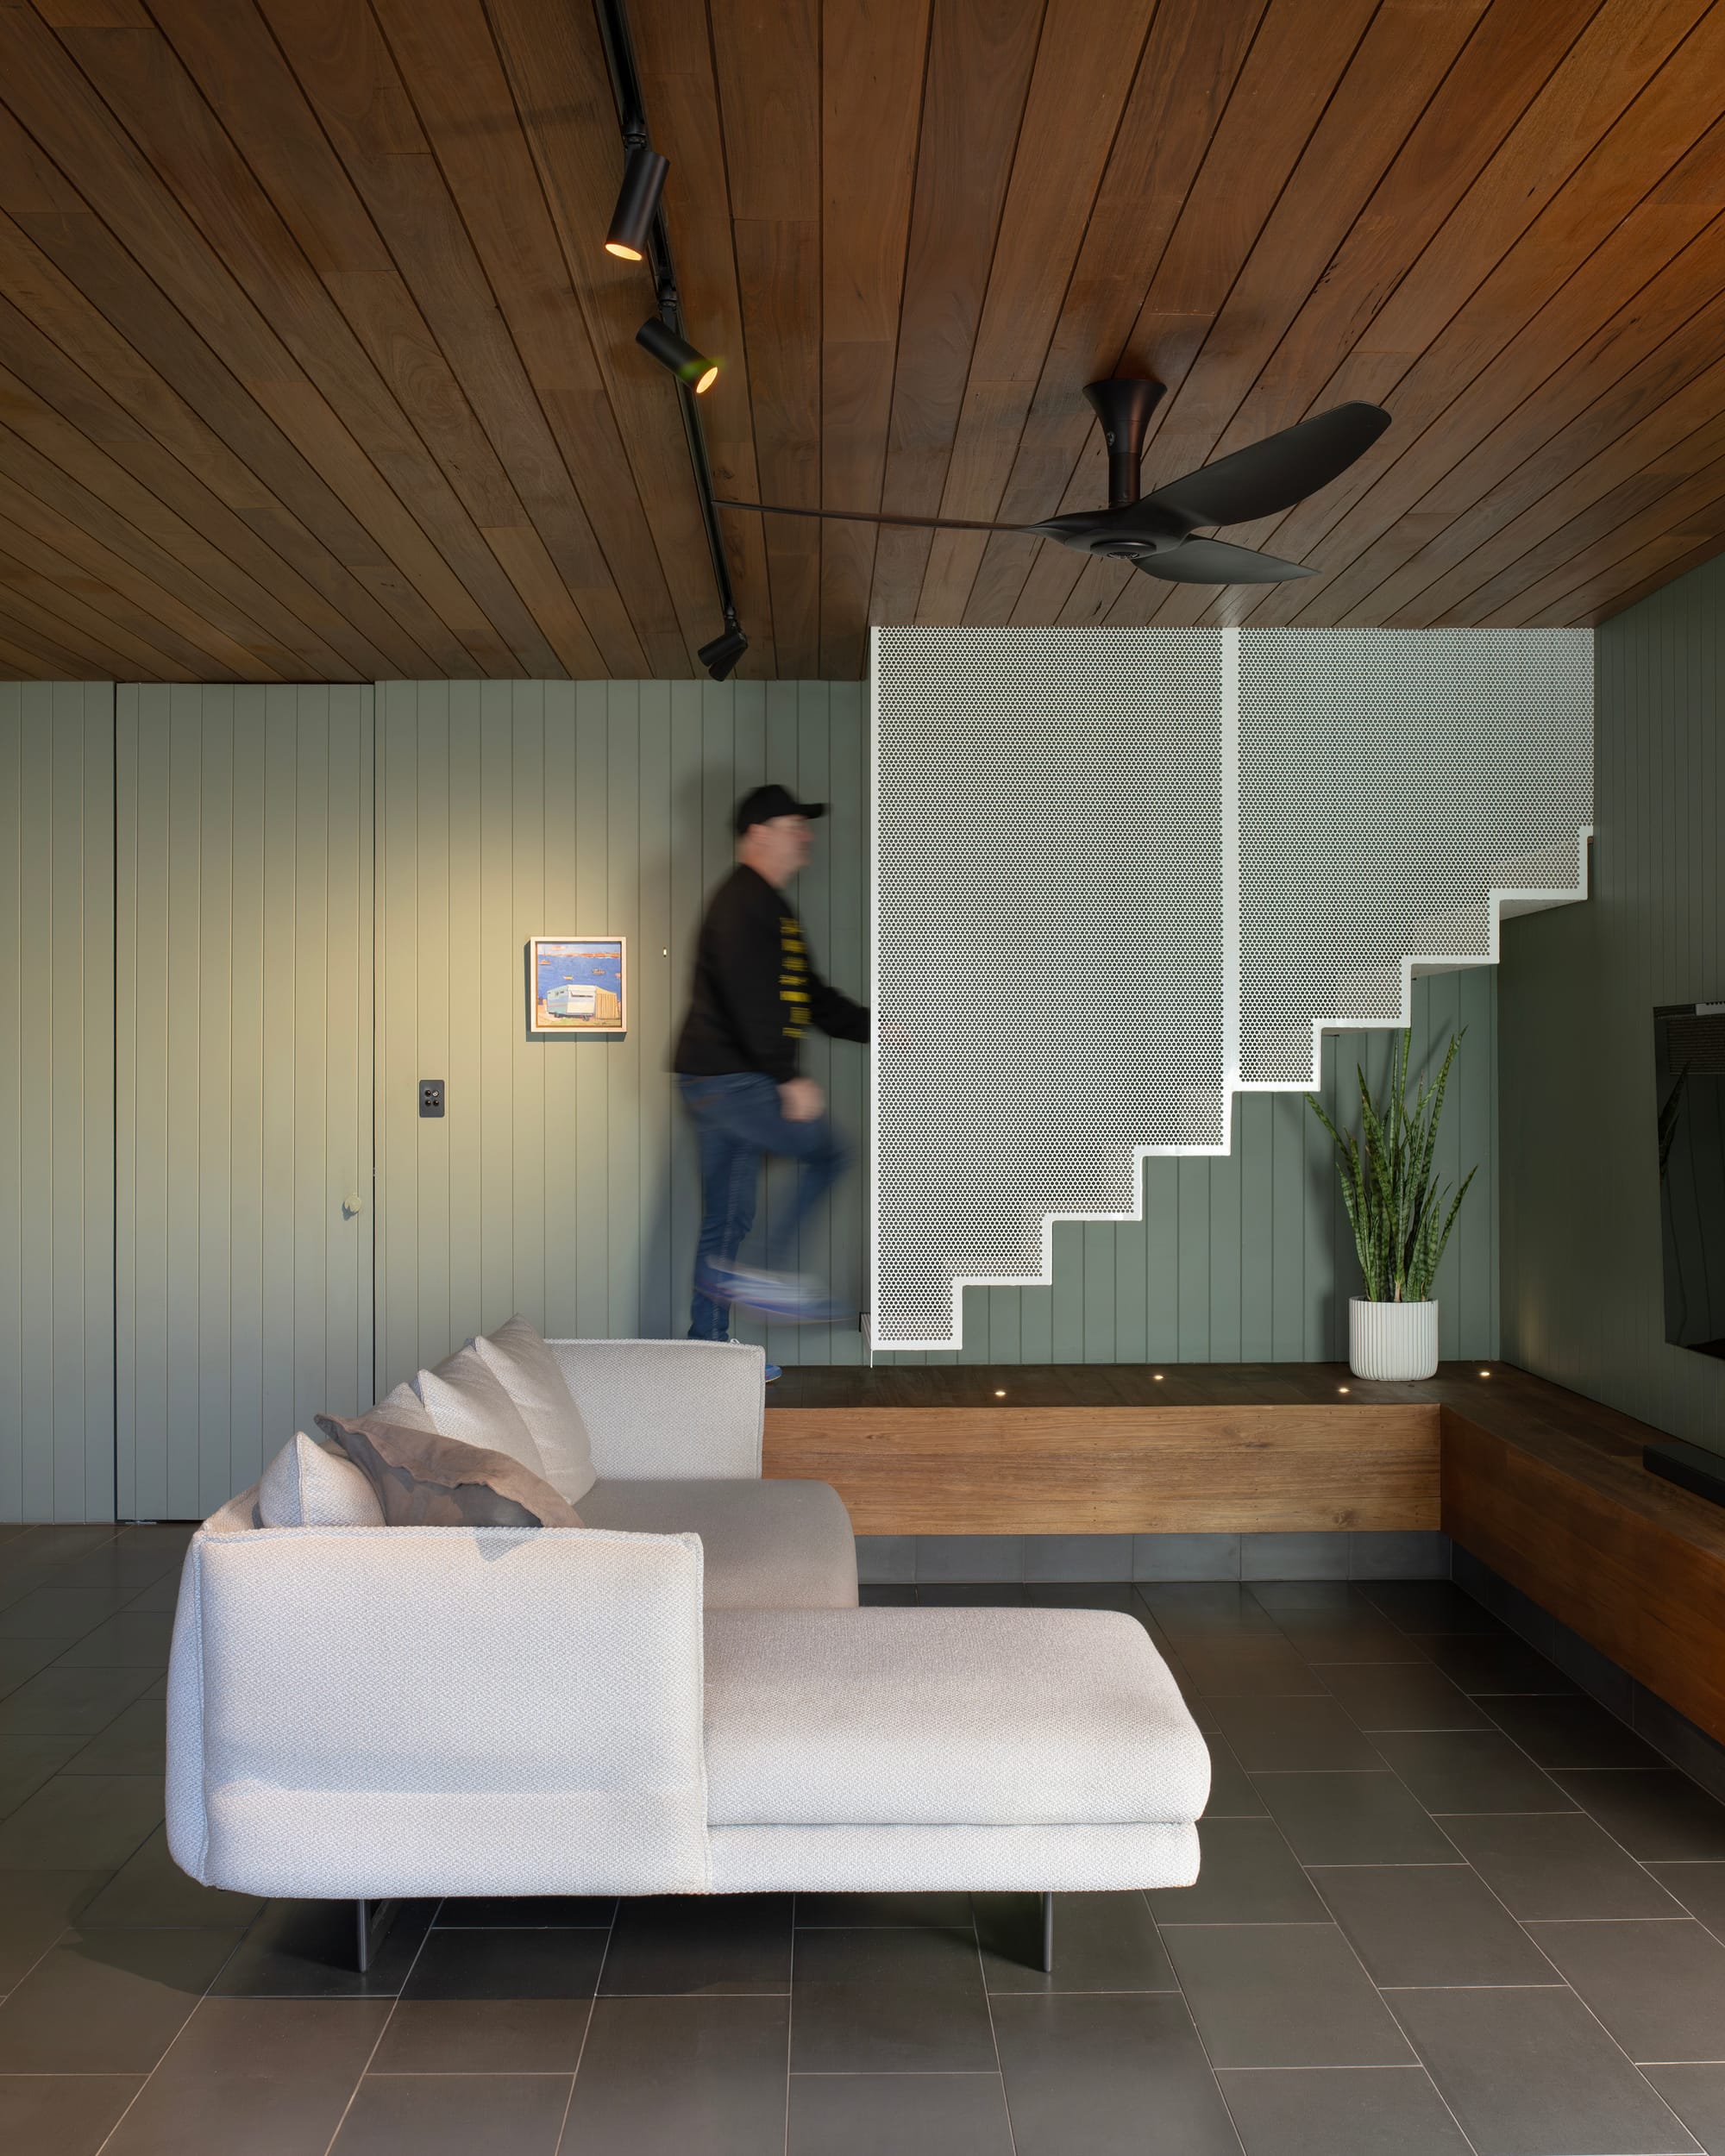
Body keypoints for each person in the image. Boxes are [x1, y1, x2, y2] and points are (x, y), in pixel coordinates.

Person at [673, 784, 869, 1373]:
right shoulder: (741, 902)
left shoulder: (773, 907)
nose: (805, 836)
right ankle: (765, 1270)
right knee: (831, 1152)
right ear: (758, 834)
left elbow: (808, 995)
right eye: (793, 825)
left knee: (727, 1218)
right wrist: (786, 1077)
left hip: (719, 1081)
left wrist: (875, 1027)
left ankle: (709, 1350)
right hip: (730, 1080)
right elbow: (744, 996)